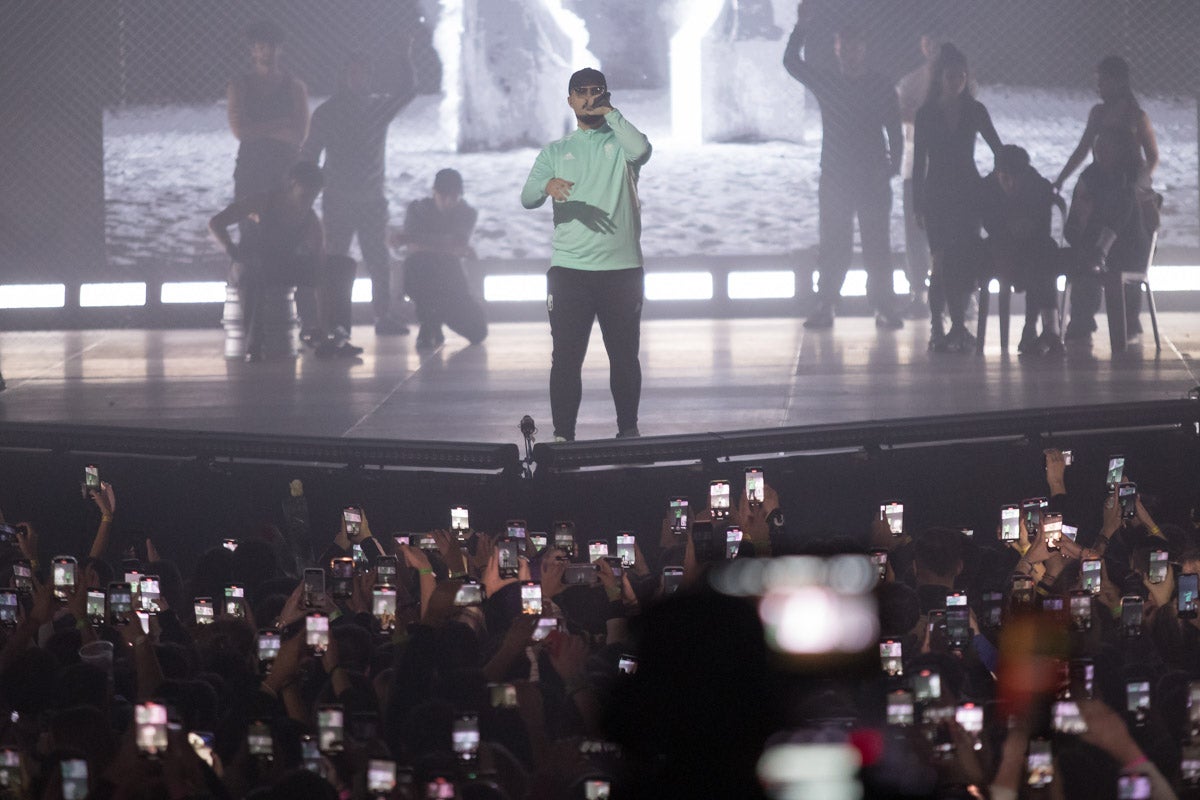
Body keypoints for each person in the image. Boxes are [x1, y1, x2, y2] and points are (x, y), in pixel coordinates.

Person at [520, 68, 651, 443]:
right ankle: (564, 437)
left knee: (624, 357)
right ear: (570, 99)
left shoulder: (622, 146)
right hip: (570, 272)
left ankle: (628, 429)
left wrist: (611, 112)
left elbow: (642, 149)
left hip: (622, 270)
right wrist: (547, 185)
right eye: (582, 92)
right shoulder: (556, 151)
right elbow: (528, 198)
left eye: (597, 91)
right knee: (565, 359)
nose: (589, 98)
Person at [782, 1, 904, 331]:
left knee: (877, 243)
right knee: (835, 243)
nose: (850, 52)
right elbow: (791, 62)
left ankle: (883, 305)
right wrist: (801, 28)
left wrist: (894, 164)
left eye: (855, 46)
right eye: (845, 46)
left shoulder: (880, 85)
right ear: (838, 50)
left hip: (872, 175)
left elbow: (894, 126)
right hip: (837, 175)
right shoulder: (829, 82)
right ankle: (827, 304)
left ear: (863, 49)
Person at [300, 49, 418, 338]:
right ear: (344, 76)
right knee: (336, 262)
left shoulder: (376, 108)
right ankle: (333, 321)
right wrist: (303, 200)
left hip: (371, 201)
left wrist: (406, 54)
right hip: (338, 200)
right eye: (354, 71)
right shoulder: (327, 113)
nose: (359, 77)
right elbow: (309, 156)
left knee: (378, 261)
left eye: (364, 72)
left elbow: (409, 91)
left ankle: (382, 316)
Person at [209, 162, 362, 362]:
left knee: (342, 266)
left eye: (314, 197)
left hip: (283, 265)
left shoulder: (309, 217)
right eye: (305, 195)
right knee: (254, 272)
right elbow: (216, 223)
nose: (308, 201)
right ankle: (253, 343)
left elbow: (319, 264)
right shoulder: (262, 202)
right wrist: (232, 250)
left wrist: (323, 329)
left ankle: (335, 334)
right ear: (292, 184)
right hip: (251, 263)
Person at [912, 43, 1002, 353]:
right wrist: (917, 204)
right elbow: (918, 163)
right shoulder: (926, 114)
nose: (956, 82)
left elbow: (998, 149)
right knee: (940, 260)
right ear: (940, 77)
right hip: (937, 195)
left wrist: (991, 184)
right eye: (951, 76)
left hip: (966, 194)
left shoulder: (975, 110)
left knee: (962, 261)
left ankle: (959, 325)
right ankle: (938, 324)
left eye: (961, 76)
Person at [1062, 126, 1151, 350]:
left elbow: (1136, 216)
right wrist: (1082, 215)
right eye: (1098, 148)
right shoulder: (1090, 177)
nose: (1101, 153)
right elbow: (1071, 229)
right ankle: (1081, 321)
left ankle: (1100, 253)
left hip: (1127, 249)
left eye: (1106, 148)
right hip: (1090, 245)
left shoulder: (1131, 176)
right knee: (1085, 259)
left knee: (1125, 198)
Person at [979, 145, 1064, 355]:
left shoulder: (1039, 187)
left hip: (1031, 246)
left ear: (1025, 174)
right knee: (1040, 257)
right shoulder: (988, 188)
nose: (1011, 183)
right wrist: (1009, 228)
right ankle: (1043, 328)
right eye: (1005, 178)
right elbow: (989, 224)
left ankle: (1038, 327)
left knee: (1042, 253)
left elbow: (1043, 228)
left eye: (1016, 178)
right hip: (1002, 247)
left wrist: (1027, 228)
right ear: (998, 174)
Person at [393, 169, 488, 351]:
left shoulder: (466, 213)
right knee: (417, 265)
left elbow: (456, 242)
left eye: (454, 197)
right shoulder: (418, 210)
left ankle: (433, 319)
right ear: (434, 192)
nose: (449, 202)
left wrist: (415, 240)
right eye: (444, 196)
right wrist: (450, 248)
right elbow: (417, 248)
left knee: (478, 332)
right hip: (424, 275)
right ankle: (429, 324)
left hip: (450, 282)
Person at [1053, 55, 1159, 201]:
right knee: (1083, 190)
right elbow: (1082, 150)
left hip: (1130, 178)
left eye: (1103, 81)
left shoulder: (1137, 117)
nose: (1099, 87)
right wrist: (1061, 179)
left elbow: (1153, 158)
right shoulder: (1098, 113)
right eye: (1098, 82)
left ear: (1119, 82)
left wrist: (1140, 183)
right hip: (1101, 176)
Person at [227, 21, 310, 202]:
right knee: (250, 227)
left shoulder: (295, 87)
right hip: (250, 170)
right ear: (253, 50)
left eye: (272, 47)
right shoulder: (239, 86)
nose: (268, 52)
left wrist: (256, 128)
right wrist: (282, 123)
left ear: (280, 50)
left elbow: (298, 135)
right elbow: (241, 132)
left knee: (284, 227)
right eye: (262, 47)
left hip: (285, 170)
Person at [895, 31, 941, 317]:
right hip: (915, 165)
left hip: (946, 168)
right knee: (915, 231)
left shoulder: (959, 77)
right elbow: (901, 113)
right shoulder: (913, 80)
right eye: (929, 43)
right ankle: (918, 292)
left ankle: (950, 291)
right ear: (923, 46)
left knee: (947, 231)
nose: (933, 48)